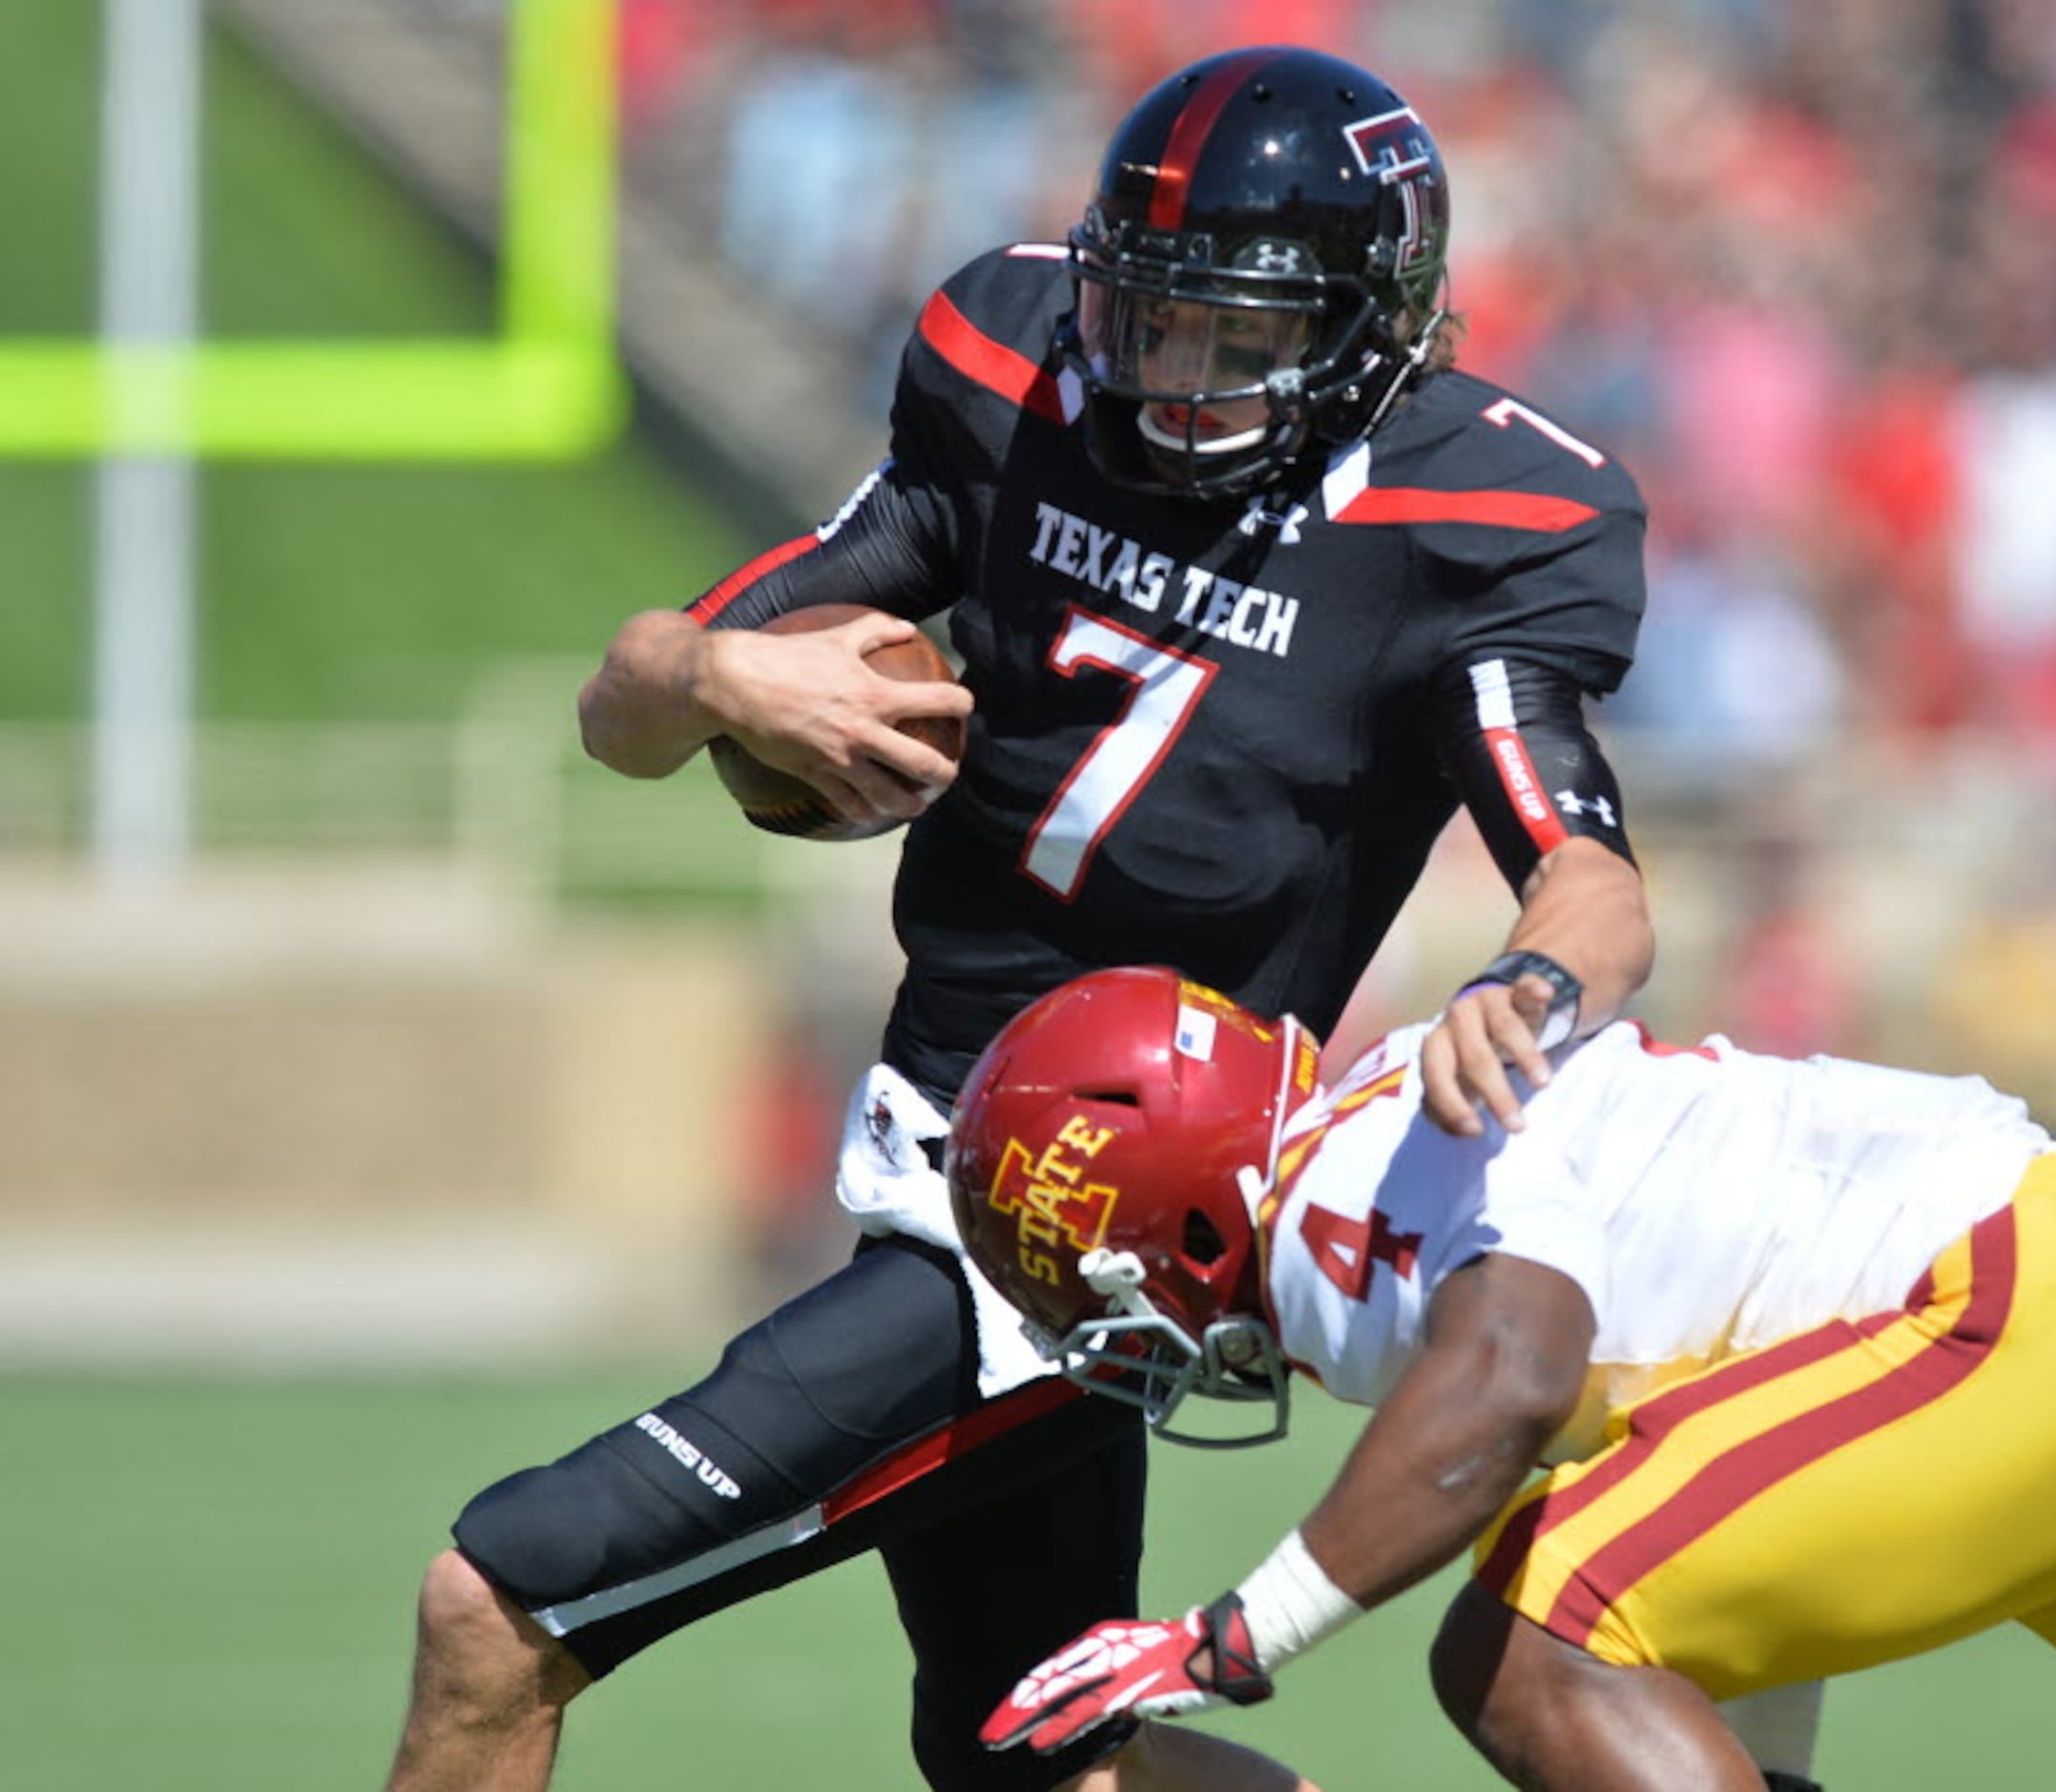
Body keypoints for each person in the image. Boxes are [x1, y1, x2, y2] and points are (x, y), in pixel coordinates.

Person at [383, 45, 1657, 1792]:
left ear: (1373, 327)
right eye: (1154, 315)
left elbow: (1589, 868)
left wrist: (1531, 976)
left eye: (1240, 332)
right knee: (1034, 1762)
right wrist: (712, 669)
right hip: (935, 1133)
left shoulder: (1477, 517)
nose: (1179, 372)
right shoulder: (1016, 376)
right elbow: (624, 716)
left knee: (498, 1601)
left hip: (1090, 1214)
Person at [949, 967, 2056, 1792]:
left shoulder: (1333, 1208)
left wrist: (1234, 1634)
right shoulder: (1388, 1102)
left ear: (1177, 1206)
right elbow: (1739, 1451)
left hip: (2017, 1328)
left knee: (1531, 1625)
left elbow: (1515, 1368)